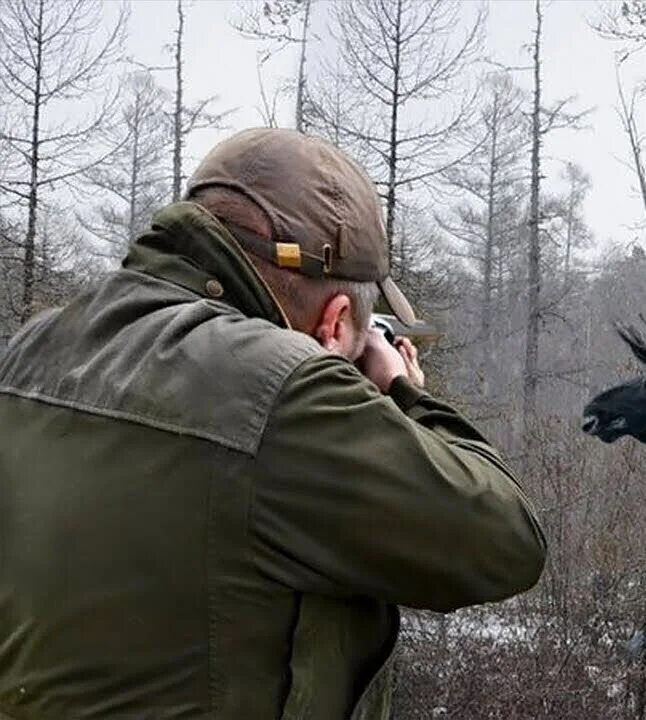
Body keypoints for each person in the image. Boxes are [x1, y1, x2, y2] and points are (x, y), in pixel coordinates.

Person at [0, 128, 547, 719]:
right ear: (335, 325)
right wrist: (401, 391)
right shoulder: (282, 392)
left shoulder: (31, 349)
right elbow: (507, 540)